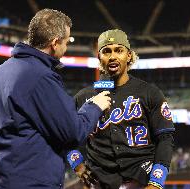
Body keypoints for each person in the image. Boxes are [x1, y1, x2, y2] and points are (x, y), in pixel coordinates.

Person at [0, 9, 111, 189]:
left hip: (2, 179)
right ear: (55, 42)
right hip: (32, 182)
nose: (66, 48)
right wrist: (94, 106)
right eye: (66, 42)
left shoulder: (0, 72)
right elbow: (72, 133)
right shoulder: (39, 76)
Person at [70, 29, 175, 189]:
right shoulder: (83, 97)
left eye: (118, 50)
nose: (112, 56)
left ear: (129, 56)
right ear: (99, 58)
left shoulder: (150, 93)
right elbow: (65, 135)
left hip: (141, 180)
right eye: (106, 51)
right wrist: (77, 164)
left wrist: (157, 182)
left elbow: (165, 138)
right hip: (99, 182)